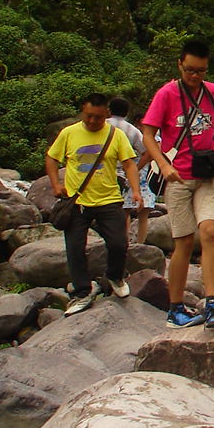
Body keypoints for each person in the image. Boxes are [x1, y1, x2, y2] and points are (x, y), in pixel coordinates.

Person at [142, 40, 214, 329]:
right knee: (182, 242)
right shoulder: (167, 94)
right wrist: (164, 165)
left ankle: (211, 305)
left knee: (209, 231)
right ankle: (175, 309)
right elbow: (148, 133)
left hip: (208, 175)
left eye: (201, 71)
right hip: (179, 178)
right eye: (190, 70)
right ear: (179, 65)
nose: (195, 77)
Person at [45, 93, 145, 315]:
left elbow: (129, 164)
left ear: (106, 115)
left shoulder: (115, 135)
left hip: (108, 199)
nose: (92, 121)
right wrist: (55, 184)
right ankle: (82, 291)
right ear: (83, 111)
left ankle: (114, 276)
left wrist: (136, 190)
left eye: (98, 118)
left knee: (119, 243)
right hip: (77, 201)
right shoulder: (69, 133)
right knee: (74, 248)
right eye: (89, 116)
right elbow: (52, 157)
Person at [108, 96, 154, 245]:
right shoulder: (131, 129)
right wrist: (135, 168)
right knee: (131, 210)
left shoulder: (101, 125)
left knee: (114, 211)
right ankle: (137, 244)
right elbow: (147, 152)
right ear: (127, 112)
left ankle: (116, 241)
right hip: (125, 173)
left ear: (108, 110)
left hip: (103, 173)